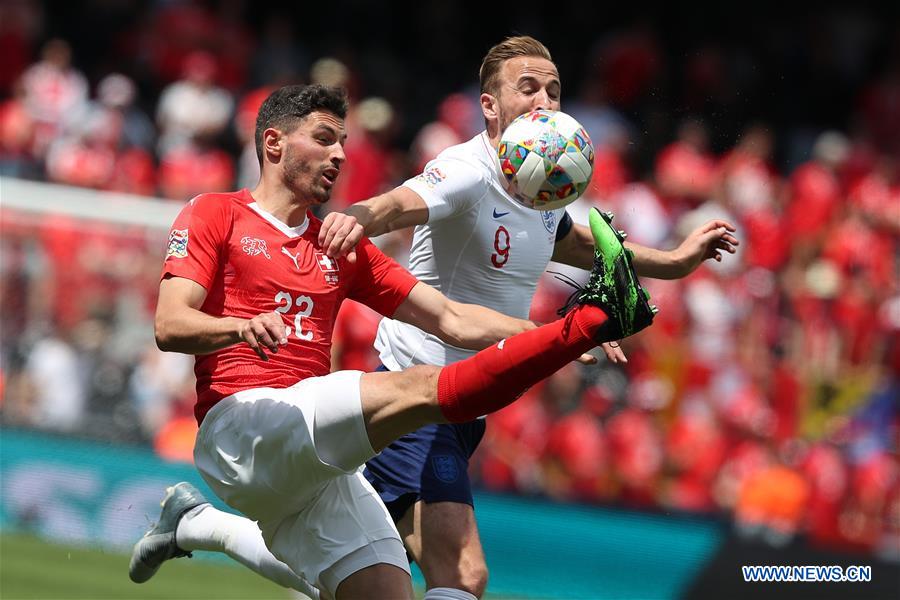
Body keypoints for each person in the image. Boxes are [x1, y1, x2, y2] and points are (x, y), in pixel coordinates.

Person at [131, 38, 738, 600]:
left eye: (553, 90)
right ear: (490, 106)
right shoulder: (218, 212)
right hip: (272, 419)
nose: (341, 154)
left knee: (381, 588)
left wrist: (654, 275)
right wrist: (251, 316)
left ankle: (195, 522)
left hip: (336, 435)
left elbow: (456, 312)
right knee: (462, 566)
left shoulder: (531, 188)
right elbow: (171, 324)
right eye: (528, 88)